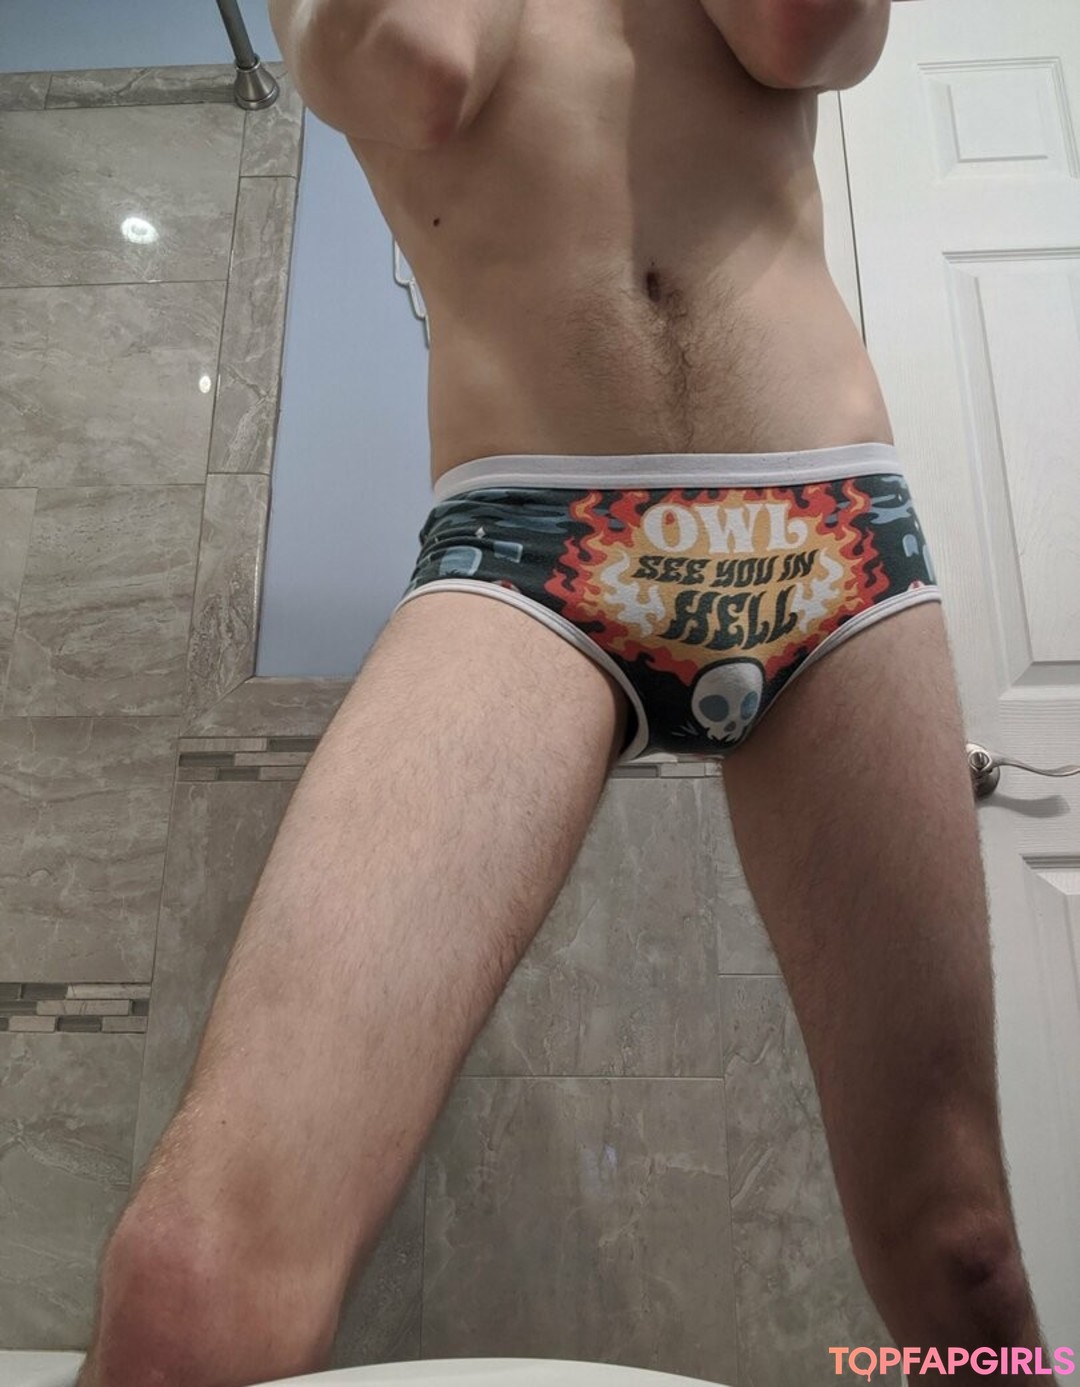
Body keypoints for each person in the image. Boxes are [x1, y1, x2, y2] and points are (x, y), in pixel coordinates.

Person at [77, 2, 1055, 1383]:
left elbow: (813, 37)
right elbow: (417, 70)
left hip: (827, 525)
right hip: (528, 544)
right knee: (185, 1288)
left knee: (965, 1257)